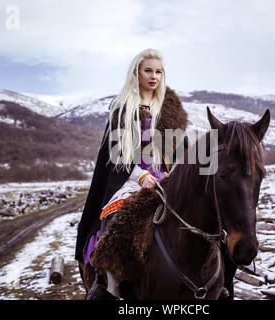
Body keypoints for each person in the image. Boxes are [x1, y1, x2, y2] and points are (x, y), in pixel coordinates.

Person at [75, 48, 189, 299]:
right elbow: (117, 155)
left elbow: (182, 149)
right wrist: (140, 177)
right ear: (136, 72)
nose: (154, 76)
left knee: (201, 215)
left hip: (166, 178)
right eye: (148, 70)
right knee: (117, 219)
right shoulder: (123, 108)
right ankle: (108, 285)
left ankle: (215, 279)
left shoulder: (171, 110)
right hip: (130, 177)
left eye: (158, 71)